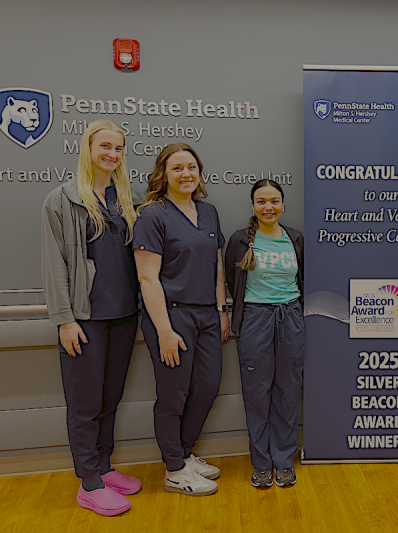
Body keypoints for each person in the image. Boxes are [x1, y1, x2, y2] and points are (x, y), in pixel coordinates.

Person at [41, 119, 141, 516]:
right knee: (84, 403)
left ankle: (104, 466)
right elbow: (53, 265)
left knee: (109, 399)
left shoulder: (127, 200)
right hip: (84, 319)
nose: (112, 154)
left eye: (118, 148)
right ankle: (89, 483)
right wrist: (64, 320)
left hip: (124, 315)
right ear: (88, 148)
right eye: (105, 146)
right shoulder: (61, 200)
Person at [133, 143, 230, 497]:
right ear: (163, 174)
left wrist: (221, 310)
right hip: (171, 315)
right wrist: (164, 330)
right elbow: (147, 278)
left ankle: (185, 453)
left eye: (191, 167)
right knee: (174, 394)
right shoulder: (152, 215)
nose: (186, 174)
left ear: (200, 173)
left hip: (207, 314)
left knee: (207, 386)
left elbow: (216, 266)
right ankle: (174, 469)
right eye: (177, 168)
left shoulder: (209, 212)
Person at [225, 180, 305, 489]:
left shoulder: (295, 238)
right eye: (261, 201)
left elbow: (305, 278)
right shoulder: (240, 240)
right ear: (253, 206)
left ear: (283, 204)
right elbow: (232, 280)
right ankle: (261, 462)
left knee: (288, 391)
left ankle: (284, 461)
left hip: (291, 316)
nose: (268, 207)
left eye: (274, 201)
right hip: (255, 319)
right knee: (257, 392)